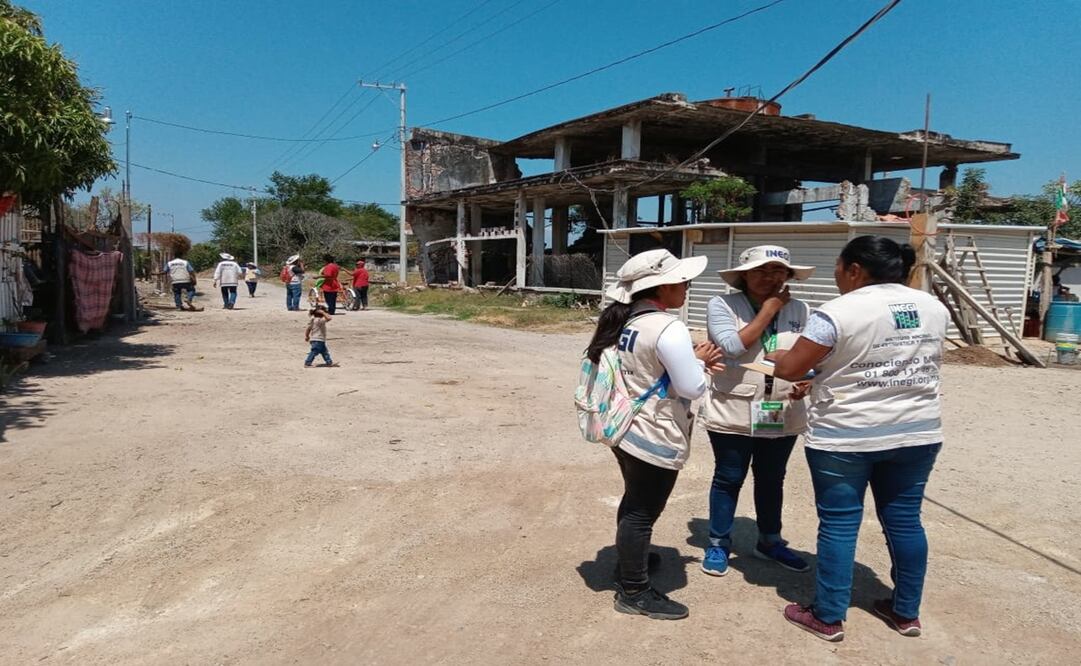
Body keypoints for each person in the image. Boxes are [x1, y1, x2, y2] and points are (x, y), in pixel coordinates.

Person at [771, 236, 949, 642]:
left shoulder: (837, 312)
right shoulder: (932, 306)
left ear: (854, 270)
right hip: (917, 431)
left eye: (837, 269)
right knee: (905, 521)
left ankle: (828, 615)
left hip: (846, 434)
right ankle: (906, 611)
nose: (836, 277)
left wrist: (781, 358)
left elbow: (792, 368)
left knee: (839, 523)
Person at [588, 248, 722, 621]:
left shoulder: (627, 319)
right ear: (662, 287)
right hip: (654, 431)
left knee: (635, 502)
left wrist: (691, 360)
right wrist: (701, 364)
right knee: (642, 512)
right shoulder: (668, 326)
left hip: (627, 428)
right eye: (682, 280)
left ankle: (631, 563)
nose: (687, 286)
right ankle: (634, 590)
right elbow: (692, 387)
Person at [699, 245, 815, 577]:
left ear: (788, 276)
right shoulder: (722, 304)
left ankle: (770, 541)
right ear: (744, 276)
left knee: (771, 478)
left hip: (779, 406)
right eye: (760, 271)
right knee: (729, 477)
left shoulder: (802, 309)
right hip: (734, 406)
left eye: (778, 271)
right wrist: (769, 309)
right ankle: (719, 542)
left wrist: (807, 380)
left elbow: (810, 355)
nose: (770, 277)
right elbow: (732, 347)